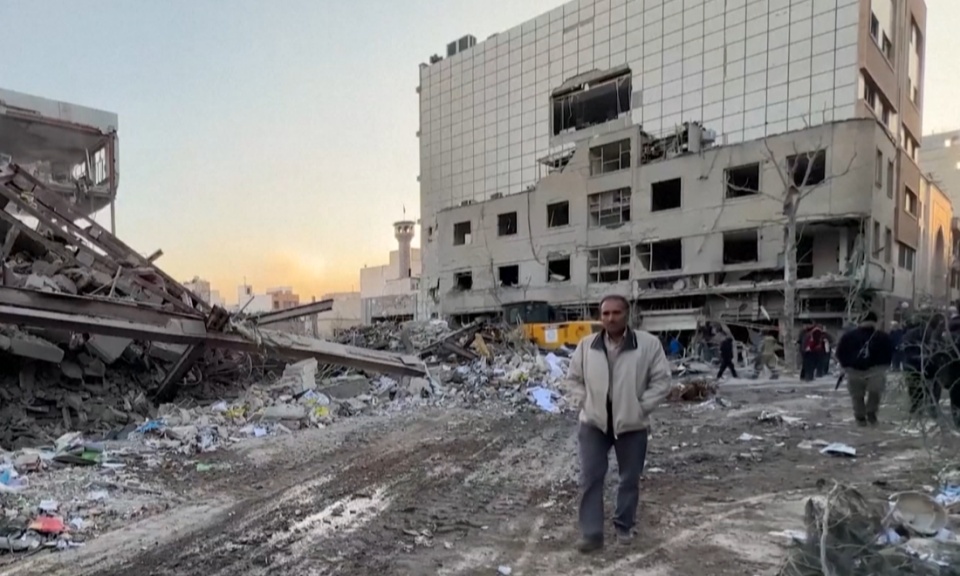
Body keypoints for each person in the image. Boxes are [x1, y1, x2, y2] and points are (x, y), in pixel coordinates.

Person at [561, 294, 672, 553]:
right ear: (600, 317)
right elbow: (572, 380)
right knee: (591, 478)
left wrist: (640, 407)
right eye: (606, 313)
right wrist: (585, 402)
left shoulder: (648, 344)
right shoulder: (587, 346)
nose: (610, 318)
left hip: (632, 424)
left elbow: (662, 381)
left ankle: (624, 525)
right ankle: (591, 534)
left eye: (616, 313)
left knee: (629, 479)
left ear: (627, 314)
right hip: (594, 423)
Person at [835, 311, 894, 426]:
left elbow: (840, 352)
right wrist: (884, 365)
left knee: (857, 395)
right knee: (875, 392)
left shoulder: (848, 336)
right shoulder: (882, 336)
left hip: (854, 370)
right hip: (876, 369)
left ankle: (860, 416)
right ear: (875, 322)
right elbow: (889, 352)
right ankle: (871, 412)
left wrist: (846, 365)